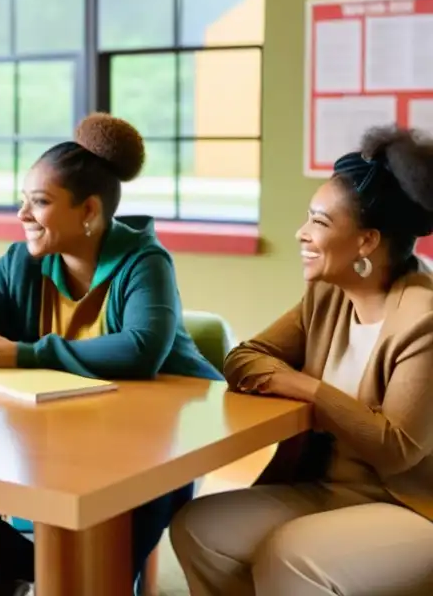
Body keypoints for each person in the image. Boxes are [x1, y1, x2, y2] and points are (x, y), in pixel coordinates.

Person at [0, 113, 222, 596]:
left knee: (110, 538)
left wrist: (23, 354)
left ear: (88, 211)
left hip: (152, 447)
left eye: (39, 202)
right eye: (24, 200)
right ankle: (36, 578)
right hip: (59, 436)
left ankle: (65, 579)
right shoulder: (20, 261)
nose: (22, 214)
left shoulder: (145, 262)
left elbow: (141, 350)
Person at [170, 125, 433, 596]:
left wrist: (309, 388)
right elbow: (245, 357)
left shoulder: (423, 320)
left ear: (366, 242)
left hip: (412, 505)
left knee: (290, 556)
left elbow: (397, 447)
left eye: (320, 222)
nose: (301, 233)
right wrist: (298, 383)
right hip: (330, 486)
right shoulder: (329, 294)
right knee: (200, 526)